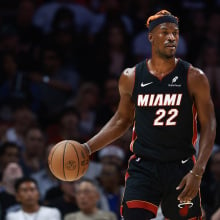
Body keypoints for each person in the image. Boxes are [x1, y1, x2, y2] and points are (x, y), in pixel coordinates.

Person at [78, 10, 216, 220]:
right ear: (150, 37)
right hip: (144, 165)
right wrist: (87, 148)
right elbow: (122, 120)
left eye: (175, 33)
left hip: (180, 165)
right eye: (165, 32)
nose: (171, 37)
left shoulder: (194, 76)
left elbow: (210, 124)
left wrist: (198, 171)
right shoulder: (131, 76)